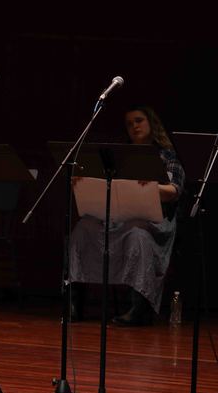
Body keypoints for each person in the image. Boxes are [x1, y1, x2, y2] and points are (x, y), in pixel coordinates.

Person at [69, 105, 185, 326]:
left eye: (139, 120)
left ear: (152, 123)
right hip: (117, 218)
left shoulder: (166, 155)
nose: (134, 126)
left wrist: (152, 188)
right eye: (130, 123)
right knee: (84, 228)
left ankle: (138, 307)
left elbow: (174, 191)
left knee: (137, 234)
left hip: (153, 223)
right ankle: (73, 301)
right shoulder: (119, 156)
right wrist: (86, 184)